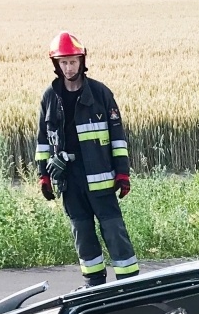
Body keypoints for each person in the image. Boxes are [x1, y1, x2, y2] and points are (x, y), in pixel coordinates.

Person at [35, 32, 139, 287]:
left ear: (82, 61)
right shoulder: (50, 96)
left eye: (72, 61)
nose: (68, 67)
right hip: (69, 181)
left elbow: (117, 137)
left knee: (114, 233)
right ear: (56, 64)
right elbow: (43, 140)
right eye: (63, 62)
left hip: (101, 178)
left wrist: (123, 173)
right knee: (82, 235)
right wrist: (43, 175)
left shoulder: (101, 93)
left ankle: (129, 286)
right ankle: (94, 286)